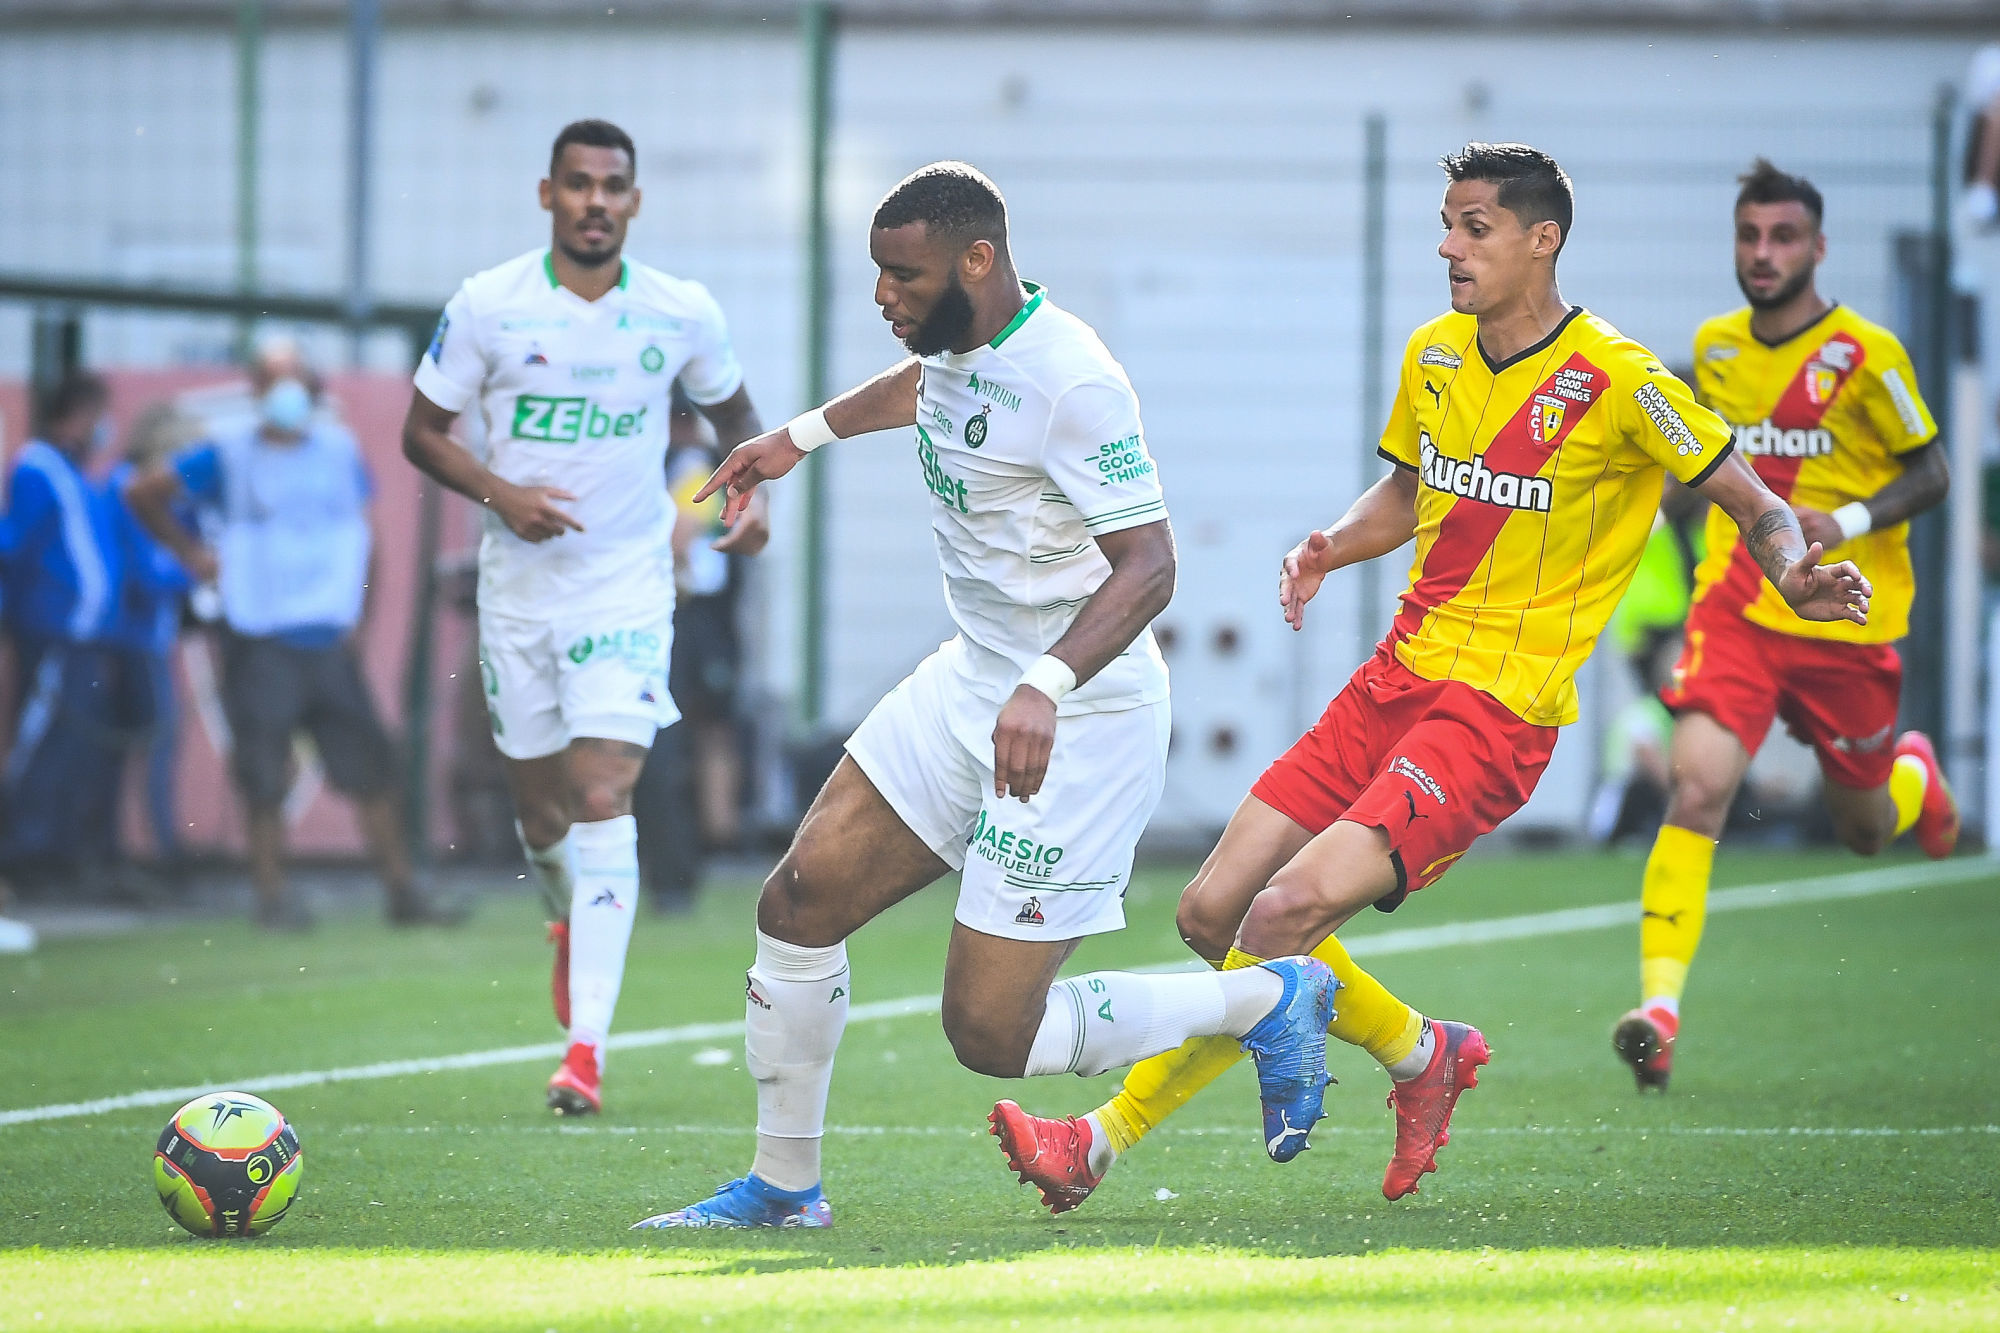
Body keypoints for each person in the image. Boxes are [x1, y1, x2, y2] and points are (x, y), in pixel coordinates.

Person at [987, 142, 1871, 1216]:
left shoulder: (1624, 380)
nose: (1447, 246)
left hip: (1493, 713)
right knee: (1210, 912)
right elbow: (1409, 492)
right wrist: (1328, 544)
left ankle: (1095, 1140)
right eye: (1445, 224)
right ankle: (1419, 1053)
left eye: (1474, 227)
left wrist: (1791, 568)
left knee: (1278, 918)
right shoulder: (1435, 355)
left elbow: (1750, 499)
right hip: (1392, 679)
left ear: (1541, 240)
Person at [630, 161, 1337, 1233]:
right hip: (971, 680)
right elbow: (925, 391)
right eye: (877, 275)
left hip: (1077, 720)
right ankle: (784, 1189)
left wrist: (1047, 682)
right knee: (797, 903)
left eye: (902, 277)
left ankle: (1265, 999)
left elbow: (1149, 565)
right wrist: (798, 439)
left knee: (988, 1034)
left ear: (978, 259)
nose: (883, 298)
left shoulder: (1073, 378)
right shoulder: (951, 346)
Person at [400, 119, 771, 1117]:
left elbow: (736, 418)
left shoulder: (677, 311)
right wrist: (499, 494)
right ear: (548, 195)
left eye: (613, 186)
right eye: (578, 185)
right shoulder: (487, 304)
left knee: (604, 788)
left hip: (625, 583)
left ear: (634, 202)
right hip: (517, 590)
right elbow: (421, 432)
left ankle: (585, 1051)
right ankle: (569, 922)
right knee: (542, 814)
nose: (596, 201)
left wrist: (751, 490)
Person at [1615, 160, 1955, 1092]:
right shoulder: (1716, 347)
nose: (1763, 255)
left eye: (1783, 238)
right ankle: (1659, 1010)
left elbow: (1935, 473)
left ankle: (1915, 777)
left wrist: (1840, 524)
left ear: (1817, 247)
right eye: (1749, 236)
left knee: (1863, 828)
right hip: (1744, 607)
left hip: (1848, 617)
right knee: (1695, 791)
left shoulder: (1869, 354)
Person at [126, 340, 455, 932]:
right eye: (273, 380)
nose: (286, 392)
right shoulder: (227, 455)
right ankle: (272, 899)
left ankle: (402, 893)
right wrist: (191, 554)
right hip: (259, 635)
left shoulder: (338, 450)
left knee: (371, 768)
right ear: (255, 390)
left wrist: (360, 615)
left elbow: (364, 538)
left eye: (295, 379)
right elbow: (144, 492)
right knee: (264, 771)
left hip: (326, 635)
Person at [0, 370, 150, 899]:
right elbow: (14, 544)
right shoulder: (38, 467)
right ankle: (22, 856)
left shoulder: (81, 474)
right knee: (39, 744)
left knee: (75, 749)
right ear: (79, 412)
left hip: (88, 637)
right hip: (51, 631)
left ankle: (60, 855)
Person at [631, 388, 746, 914]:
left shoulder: (691, 463)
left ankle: (692, 855)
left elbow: (679, 535)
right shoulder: (683, 460)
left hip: (691, 620)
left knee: (678, 739)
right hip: (692, 619)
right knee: (693, 737)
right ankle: (699, 847)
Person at [107, 402, 199, 879]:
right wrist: (196, 572)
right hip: (134, 636)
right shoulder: (128, 487)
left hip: (147, 636)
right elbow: (148, 570)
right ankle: (162, 850)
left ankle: (154, 846)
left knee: (149, 741)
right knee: (158, 738)